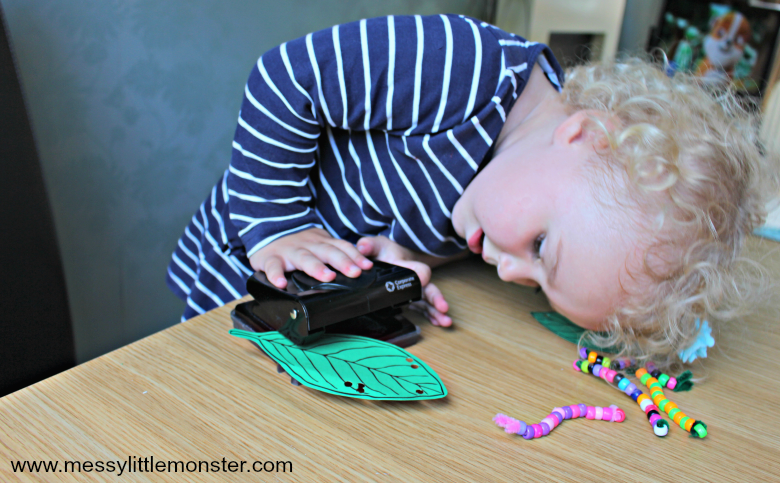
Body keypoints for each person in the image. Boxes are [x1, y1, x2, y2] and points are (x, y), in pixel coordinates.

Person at [167, 14, 778, 367]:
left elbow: (405, 209)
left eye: (536, 286)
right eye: (541, 249)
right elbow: (284, 78)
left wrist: (396, 270)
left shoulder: (511, 189)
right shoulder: (462, 66)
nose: (509, 274)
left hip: (310, 306)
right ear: (586, 135)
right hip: (236, 258)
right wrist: (278, 226)